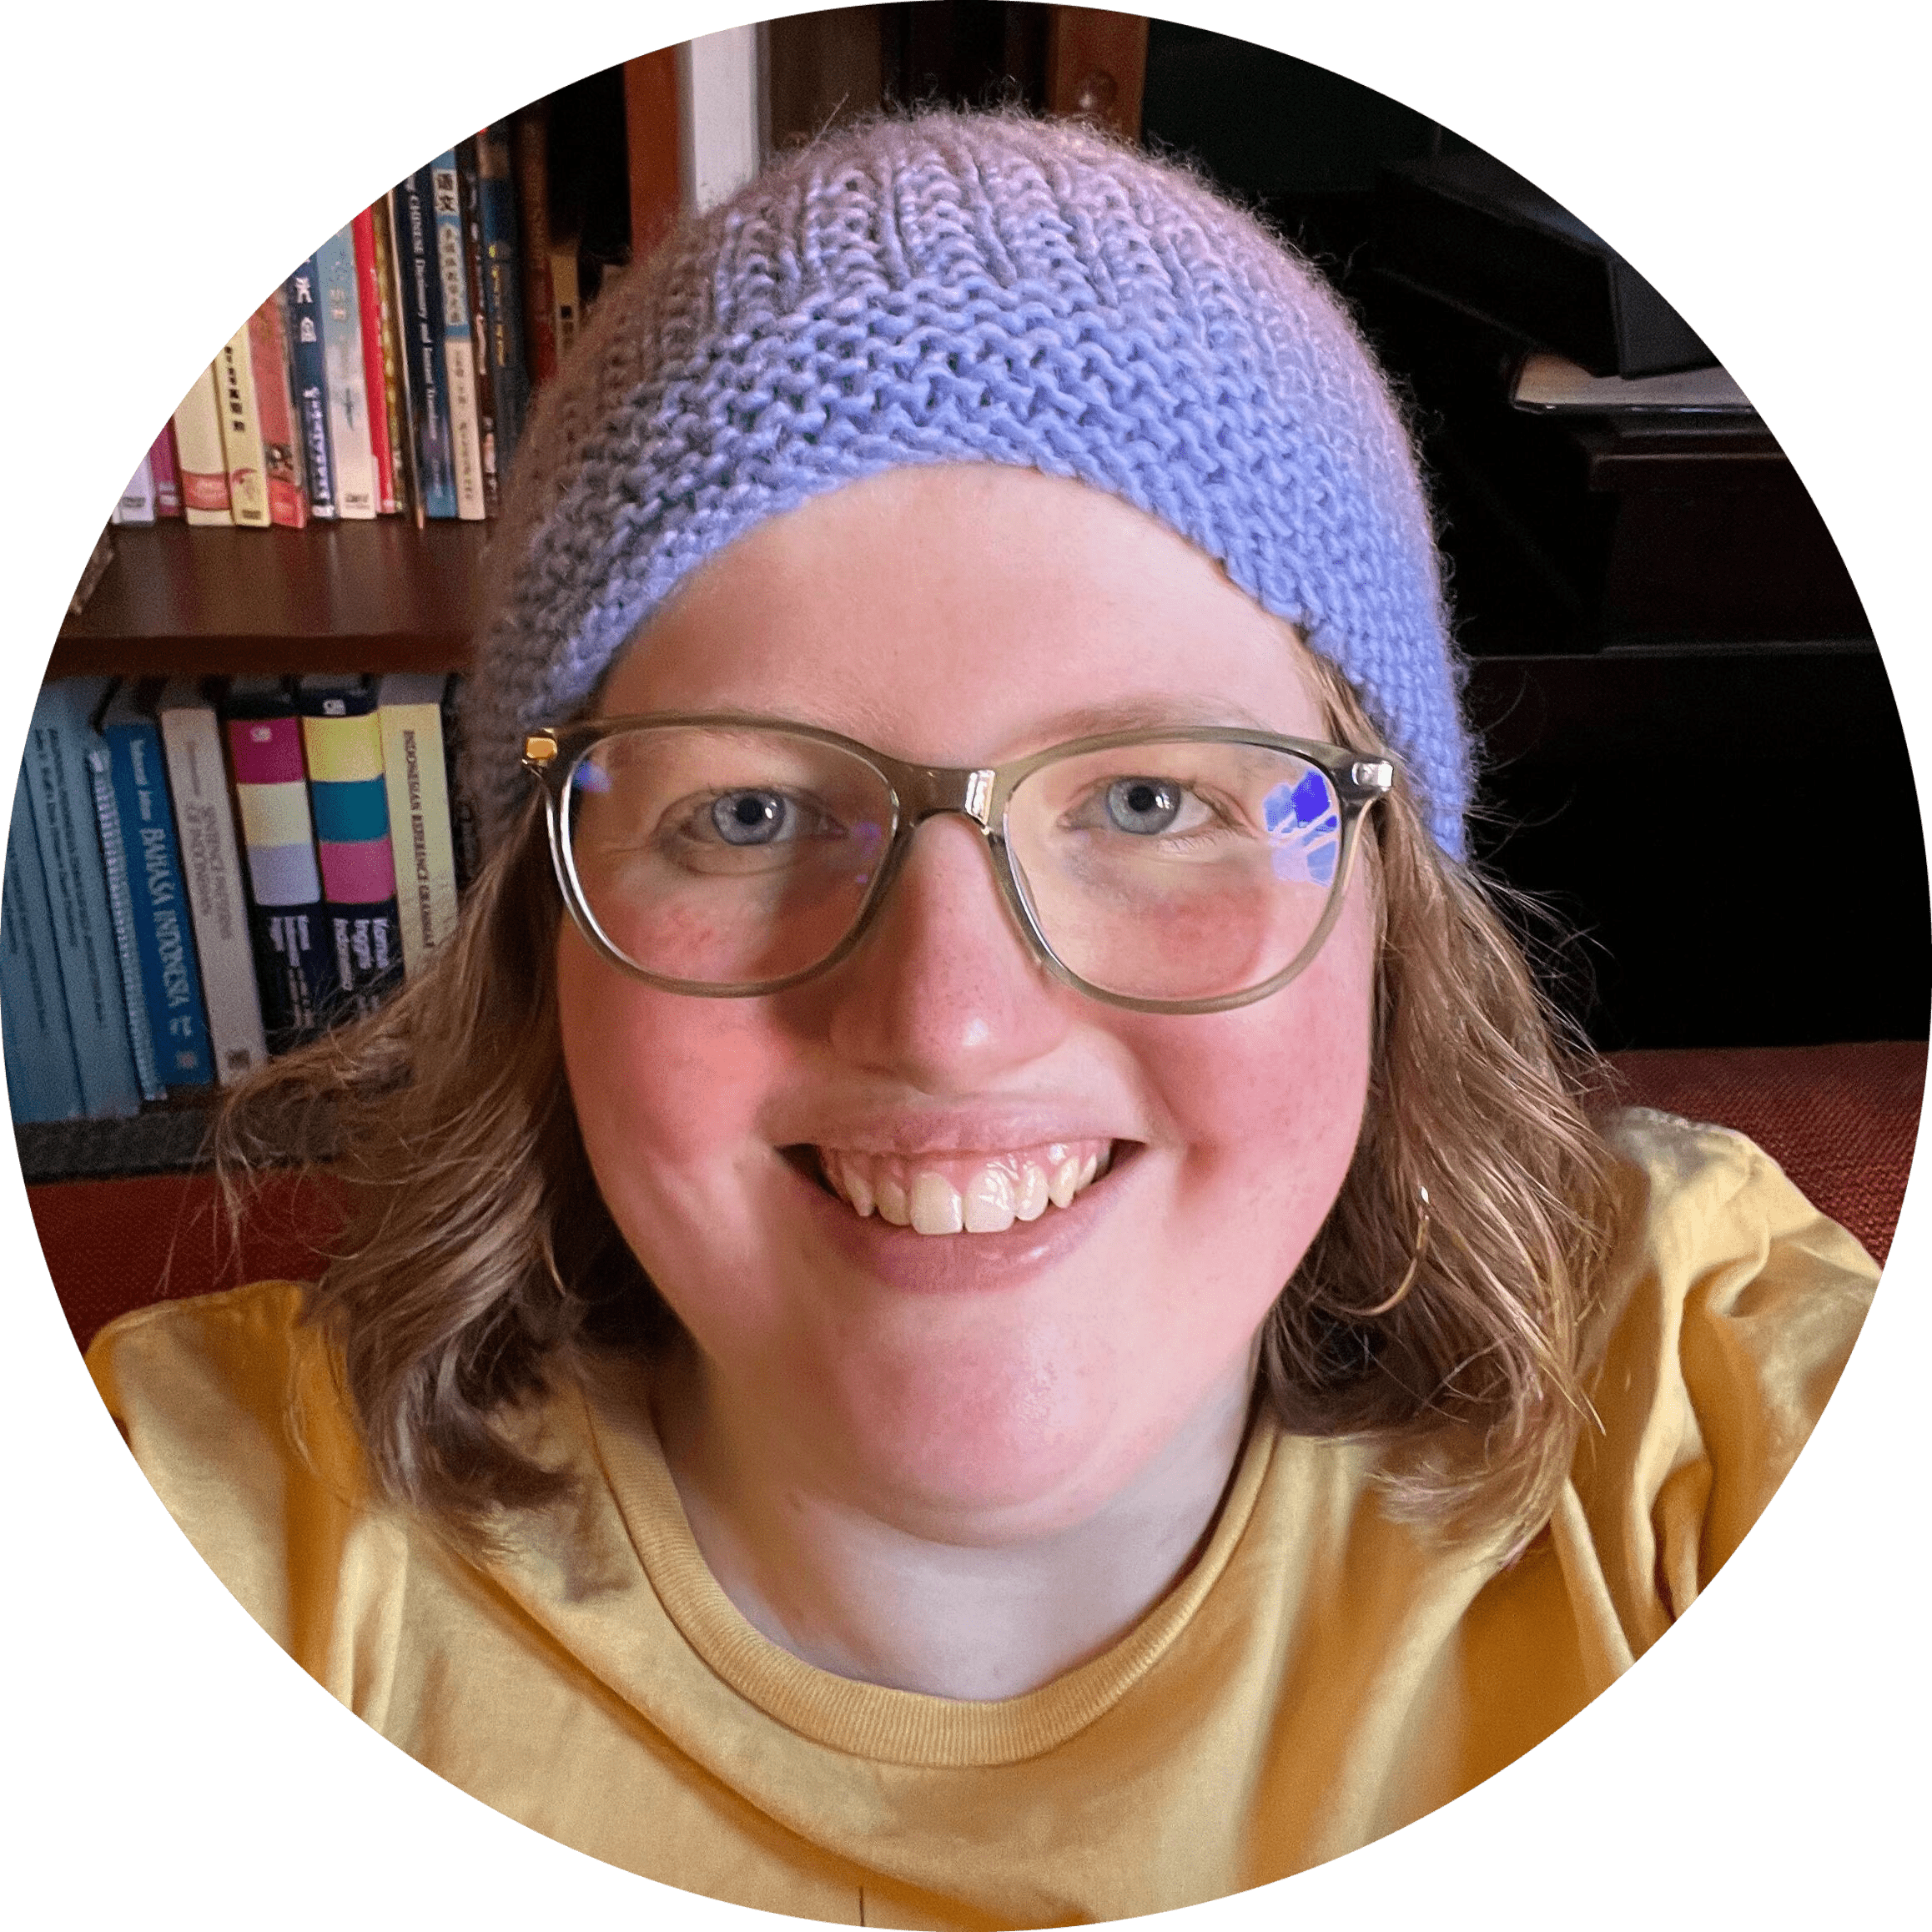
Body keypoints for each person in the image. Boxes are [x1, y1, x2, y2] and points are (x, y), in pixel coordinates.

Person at [87, 111, 1876, 1923]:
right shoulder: (223, 1526)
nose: (949, 1021)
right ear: (541, 931)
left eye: (1152, 802)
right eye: (749, 812)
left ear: (1393, 904)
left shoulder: (1696, 1409)